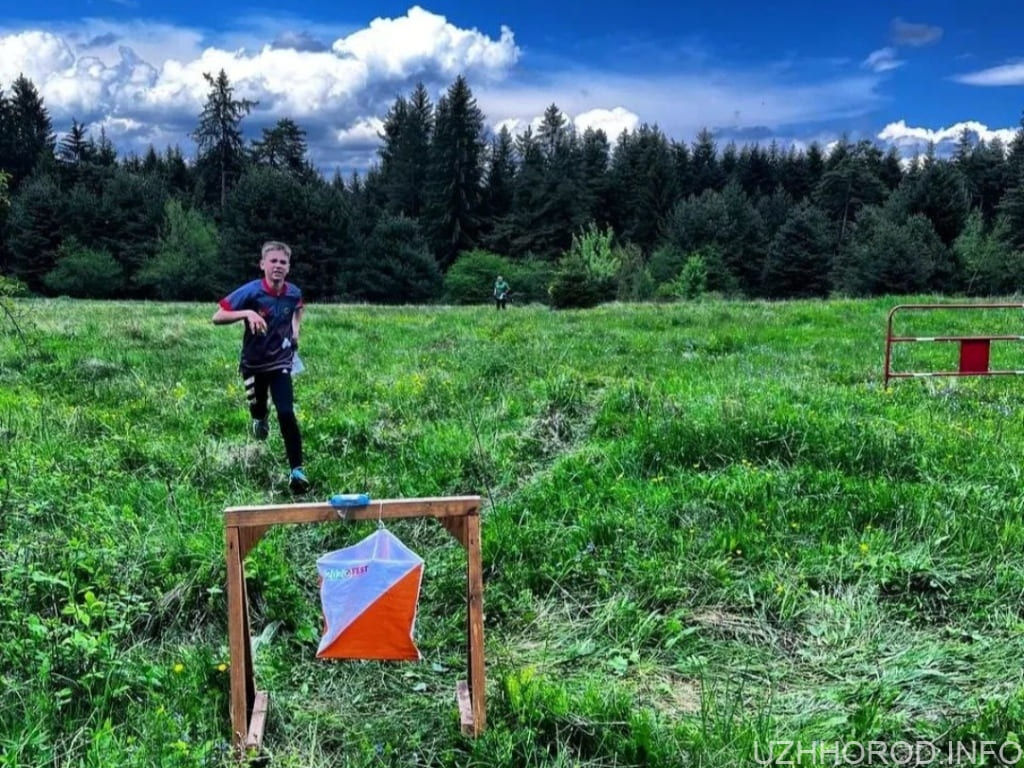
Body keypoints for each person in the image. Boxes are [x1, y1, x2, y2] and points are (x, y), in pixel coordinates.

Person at [213, 241, 310, 493]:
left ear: (288, 267)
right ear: (263, 264)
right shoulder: (251, 292)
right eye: (273, 261)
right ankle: (259, 418)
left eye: (283, 262)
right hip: (253, 364)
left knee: (287, 412)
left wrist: (296, 330)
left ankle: (297, 471)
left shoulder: (293, 292)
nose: (278, 266)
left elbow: (298, 308)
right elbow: (217, 316)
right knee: (258, 407)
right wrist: (247, 314)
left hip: (281, 361)